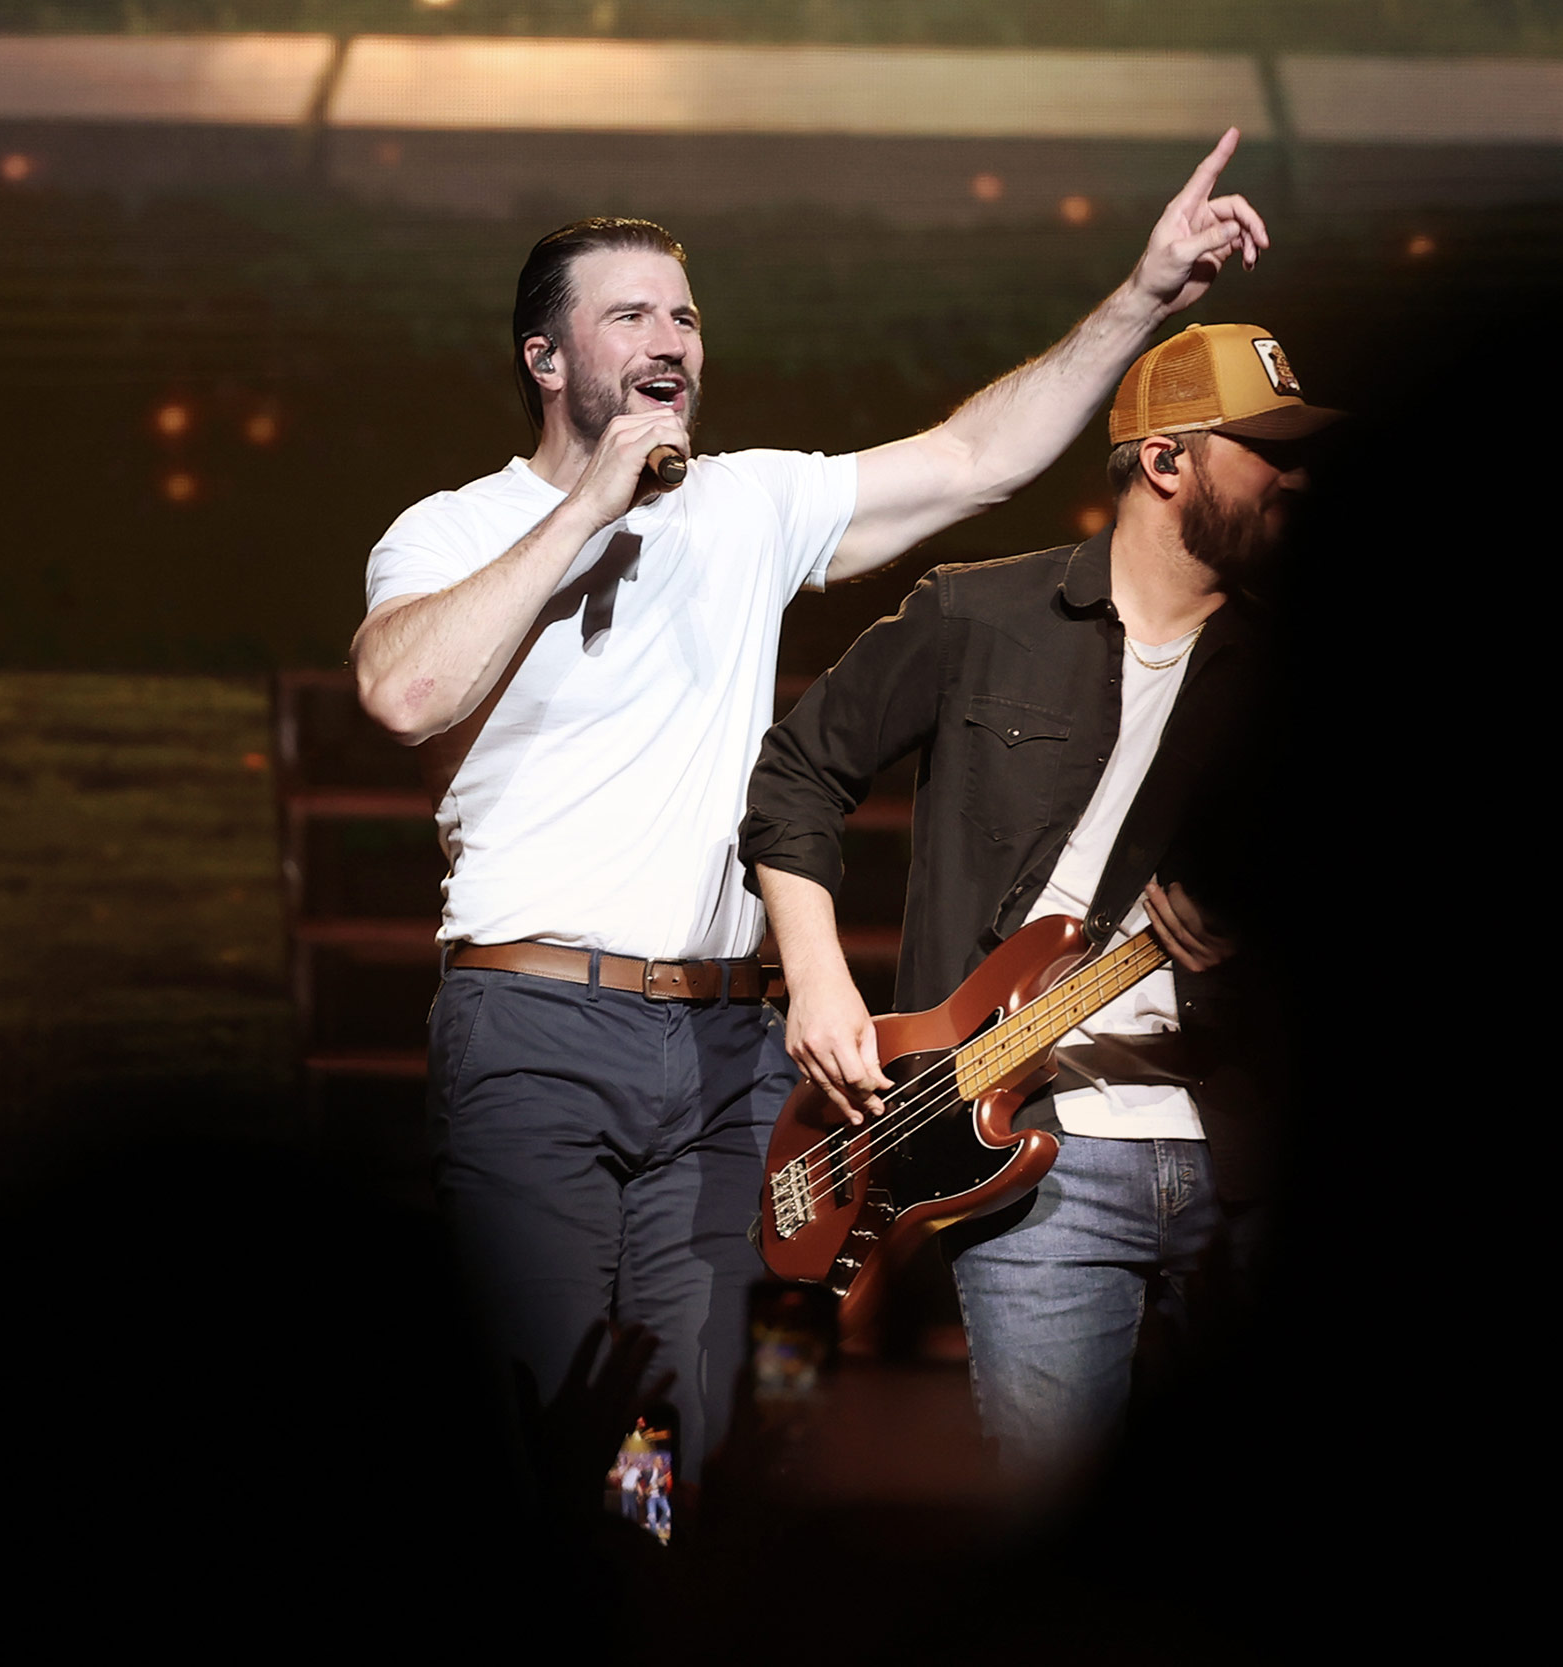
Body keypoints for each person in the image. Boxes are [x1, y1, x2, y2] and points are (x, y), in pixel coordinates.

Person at [350, 133, 1272, 1481]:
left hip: (730, 1049)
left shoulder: (748, 503)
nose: (671, 335)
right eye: (631, 313)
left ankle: (651, 1581)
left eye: (686, 313)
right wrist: (595, 499)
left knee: (689, 1416)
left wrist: (1141, 295)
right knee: (550, 1396)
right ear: (548, 359)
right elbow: (402, 690)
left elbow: (972, 460)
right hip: (537, 1026)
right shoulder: (450, 529)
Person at [741, 323, 1339, 1477]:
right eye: (1266, 448)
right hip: (1033, 1155)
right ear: (1168, 461)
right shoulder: (978, 616)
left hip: (1244, 1153)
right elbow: (797, 770)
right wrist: (816, 980)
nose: (1298, 478)